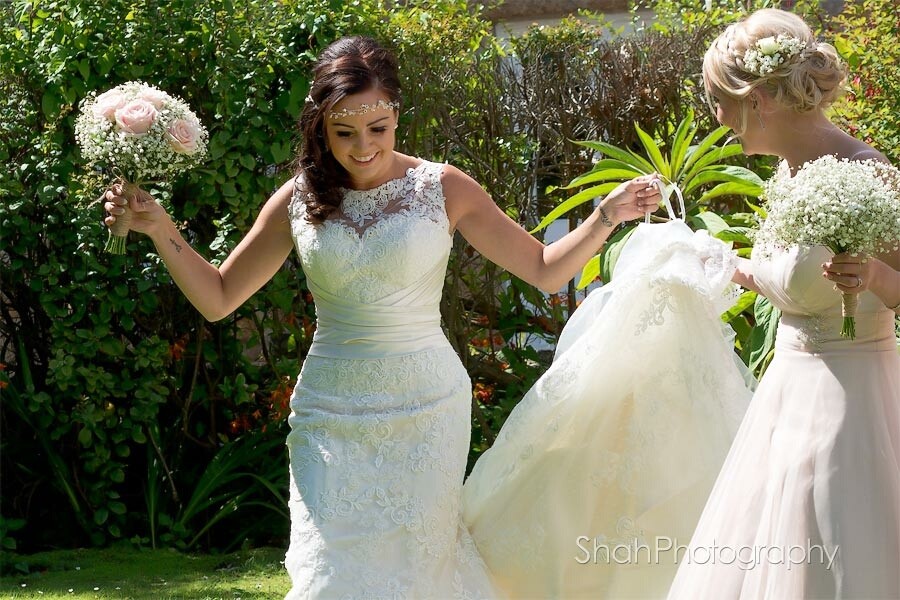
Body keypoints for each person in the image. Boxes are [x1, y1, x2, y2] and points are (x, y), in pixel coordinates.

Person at [103, 35, 670, 598]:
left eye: (378, 129)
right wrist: (159, 228)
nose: (363, 147)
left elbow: (545, 270)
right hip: (330, 412)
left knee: (420, 572)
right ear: (320, 127)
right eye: (344, 133)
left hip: (427, 408)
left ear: (397, 114)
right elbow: (220, 297)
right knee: (331, 576)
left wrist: (606, 215)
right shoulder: (299, 199)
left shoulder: (443, 187)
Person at [666, 8, 900, 599]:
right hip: (784, 401)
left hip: (853, 404)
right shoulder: (789, 175)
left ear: (757, 101)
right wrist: (726, 264)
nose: (719, 120)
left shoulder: (872, 175)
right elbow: (792, 284)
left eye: (721, 102)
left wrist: (871, 274)